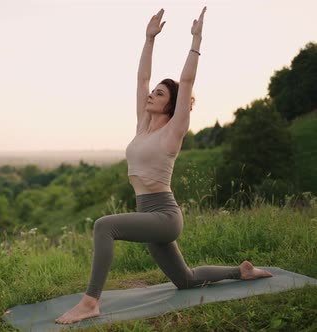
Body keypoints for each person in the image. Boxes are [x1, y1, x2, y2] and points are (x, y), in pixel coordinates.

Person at [55, 7, 272, 325]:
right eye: (152, 92)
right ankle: (242, 271)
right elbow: (142, 77)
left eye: (158, 93)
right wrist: (148, 39)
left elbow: (186, 80)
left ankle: (90, 302)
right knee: (185, 279)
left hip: (165, 216)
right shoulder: (143, 126)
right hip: (148, 215)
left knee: (104, 226)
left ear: (170, 104)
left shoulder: (174, 130)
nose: (150, 95)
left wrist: (195, 41)